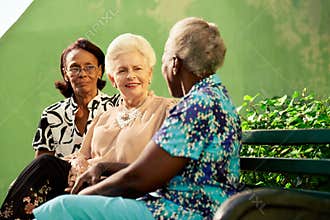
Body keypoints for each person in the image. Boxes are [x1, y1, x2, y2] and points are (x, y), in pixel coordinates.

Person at [33, 17, 242, 219]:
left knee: (62, 208)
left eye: (162, 62)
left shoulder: (195, 106)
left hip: (181, 211)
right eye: (122, 70)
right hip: (190, 204)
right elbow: (150, 171)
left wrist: (82, 197)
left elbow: (139, 179)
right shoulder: (214, 96)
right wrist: (103, 167)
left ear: (175, 64)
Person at [0, 34, 174, 219]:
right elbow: (81, 157)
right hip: (85, 184)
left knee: (47, 173)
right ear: (113, 79)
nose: (130, 75)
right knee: (44, 167)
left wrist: (102, 168)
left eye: (137, 68)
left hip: (121, 188)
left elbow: (159, 169)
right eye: (122, 70)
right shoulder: (104, 117)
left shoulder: (167, 110)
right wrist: (76, 170)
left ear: (149, 74)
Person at [32, 38, 120, 158]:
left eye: (89, 67)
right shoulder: (52, 115)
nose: (82, 74)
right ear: (65, 74)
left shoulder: (117, 106)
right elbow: (42, 166)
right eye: (74, 68)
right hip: (63, 176)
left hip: (108, 176)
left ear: (100, 71)